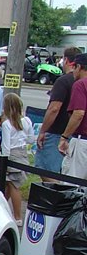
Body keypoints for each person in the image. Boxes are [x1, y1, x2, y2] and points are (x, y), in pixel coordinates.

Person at [37, 46, 83, 182]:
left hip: (56, 132)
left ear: (67, 60)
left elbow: (54, 108)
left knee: (45, 169)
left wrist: (42, 131)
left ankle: (56, 199)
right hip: (74, 135)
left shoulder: (63, 81)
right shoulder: (81, 82)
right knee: (68, 172)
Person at [0, 93, 34, 224]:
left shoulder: (7, 124)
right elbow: (31, 139)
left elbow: (6, 145)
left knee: (13, 186)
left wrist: (3, 161)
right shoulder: (27, 121)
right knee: (9, 185)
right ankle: (2, 208)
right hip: (23, 152)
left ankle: (18, 217)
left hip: (11, 155)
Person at [57, 54, 87, 180]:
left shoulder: (80, 84)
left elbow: (79, 113)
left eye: (74, 67)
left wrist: (64, 137)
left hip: (82, 141)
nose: (73, 71)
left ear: (79, 67)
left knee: (73, 185)